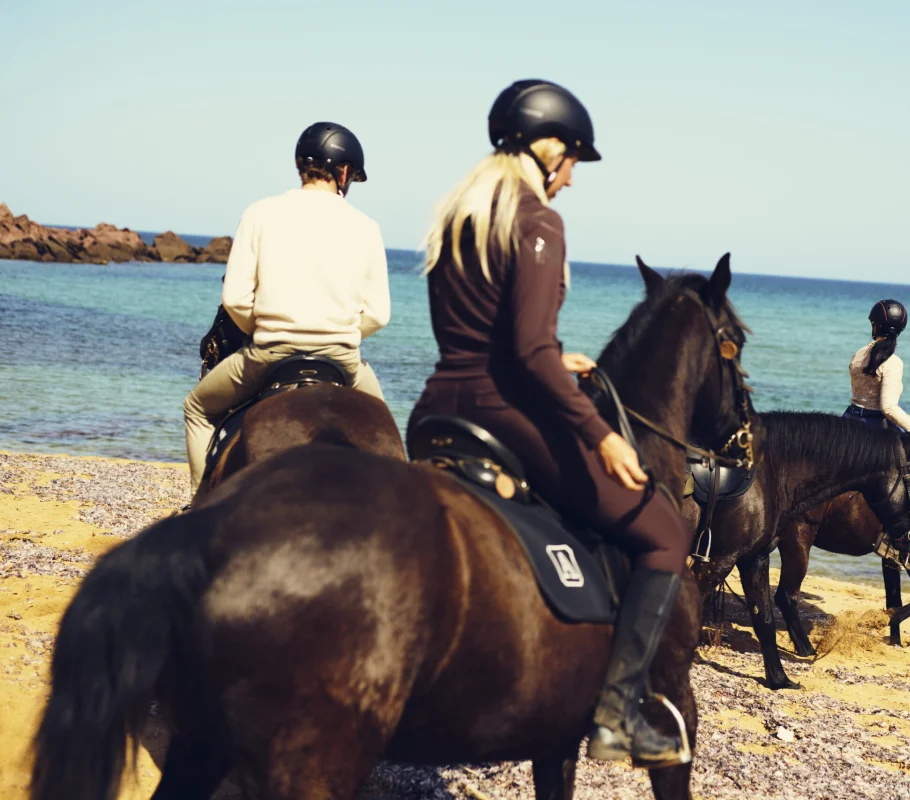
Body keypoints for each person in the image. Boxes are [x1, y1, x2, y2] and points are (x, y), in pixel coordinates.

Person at [407, 79, 688, 768]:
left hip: (435, 407)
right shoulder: (536, 220)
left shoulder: (459, 215)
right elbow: (529, 355)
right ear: (548, 147)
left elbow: (483, 337)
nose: (570, 179)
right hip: (501, 410)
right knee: (665, 533)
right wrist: (602, 435)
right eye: (572, 162)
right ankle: (618, 714)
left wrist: (559, 357)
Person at [183, 122, 391, 494]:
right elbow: (378, 314)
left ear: (301, 165)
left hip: (267, 356)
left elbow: (235, 299)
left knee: (197, 410)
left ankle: (200, 505)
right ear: (344, 172)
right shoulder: (366, 226)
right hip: (342, 360)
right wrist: (340, 333)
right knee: (383, 430)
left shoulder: (260, 213)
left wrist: (265, 330)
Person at [845, 299, 910, 495]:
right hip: (876, 427)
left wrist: (907, 418)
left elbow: (865, 398)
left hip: (849, 419)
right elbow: (887, 408)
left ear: (875, 326)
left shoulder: (858, 354)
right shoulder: (893, 362)